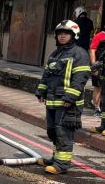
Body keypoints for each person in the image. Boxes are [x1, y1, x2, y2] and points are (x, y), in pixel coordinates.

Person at [35, 20, 91, 174]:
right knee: (52, 131)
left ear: (74, 35)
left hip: (68, 103)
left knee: (63, 132)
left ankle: (62, 164)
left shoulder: (80, 54)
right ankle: (55, 157)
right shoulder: (55, 54)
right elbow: (47, 75)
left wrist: (69, 98)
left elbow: (80, 79)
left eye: (66, 33)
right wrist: (41, 91)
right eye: (60, 33)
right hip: (52, 101)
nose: (62, 36)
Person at [90, 25, 104, 119]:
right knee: (98, 87)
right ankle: (97, 108)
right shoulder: (99, 36)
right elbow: (92, 50)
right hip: (99, 65)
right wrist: (94, 65)